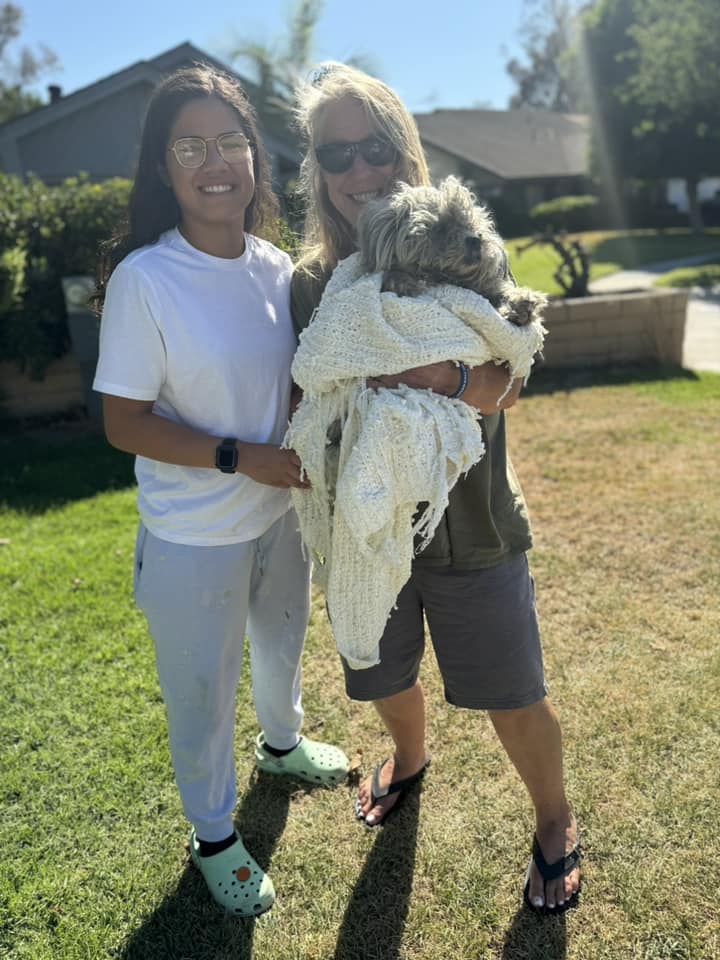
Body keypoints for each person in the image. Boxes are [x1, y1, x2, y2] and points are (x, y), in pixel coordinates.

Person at [290, 62, 581, 916]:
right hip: (365, 528)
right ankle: (410, 760)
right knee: (381, 678)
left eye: (372, 147)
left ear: (403, 149)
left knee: (513, 695)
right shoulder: (312, 284)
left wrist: (424, 370)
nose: (356, 171)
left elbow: (504, 378)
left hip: (473, 526)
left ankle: (556, 821)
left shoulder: (467, 249)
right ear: (316, 170)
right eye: (333, 154)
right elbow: (310, 389)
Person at [92, 63, 349, 918]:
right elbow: (125, 422)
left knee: (281, 644)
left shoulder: (276, 267)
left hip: (280, 514)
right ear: (163, 168)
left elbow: (294, 378)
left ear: (255, 158)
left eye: (232, 141)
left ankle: (283, 746)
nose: (216, 160)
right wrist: (244, 458)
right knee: (202, 692)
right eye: (191, 144)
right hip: (192, 536)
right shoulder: (145, 279)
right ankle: (212, 835)